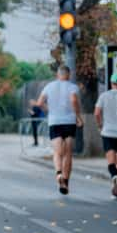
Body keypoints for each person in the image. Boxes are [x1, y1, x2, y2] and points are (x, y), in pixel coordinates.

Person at [33, 65, 83, 195]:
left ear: (57, 74)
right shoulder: (73, 87)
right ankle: (66, 181)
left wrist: (49, 110)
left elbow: (39, 103)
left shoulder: (49, 86)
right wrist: (78, 117)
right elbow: (73, 100)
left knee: (57, 152)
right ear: (69, 74)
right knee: (67, 153)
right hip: (69, 122)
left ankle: (58, 173)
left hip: (54, 122)